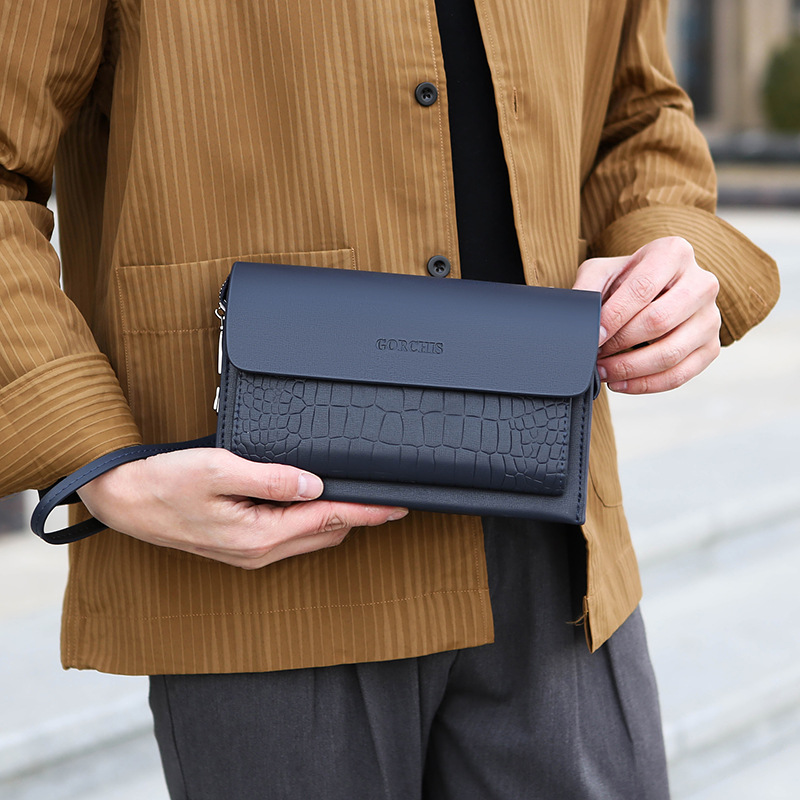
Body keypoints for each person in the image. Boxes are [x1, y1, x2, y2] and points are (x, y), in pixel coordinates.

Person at [0, 1, 779, 798]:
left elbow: (638, 113)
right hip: (255, 562)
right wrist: (95, 456)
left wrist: (672, 251)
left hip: (553, 550)